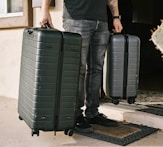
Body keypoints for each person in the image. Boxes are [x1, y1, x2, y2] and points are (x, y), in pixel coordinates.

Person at [40, 0, 123, 133]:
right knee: (77, 69)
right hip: (76, 19)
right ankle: (74, 115)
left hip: (101, 22)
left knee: (96, 69)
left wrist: (115, 17)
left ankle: (93, 113)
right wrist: (44, 9)